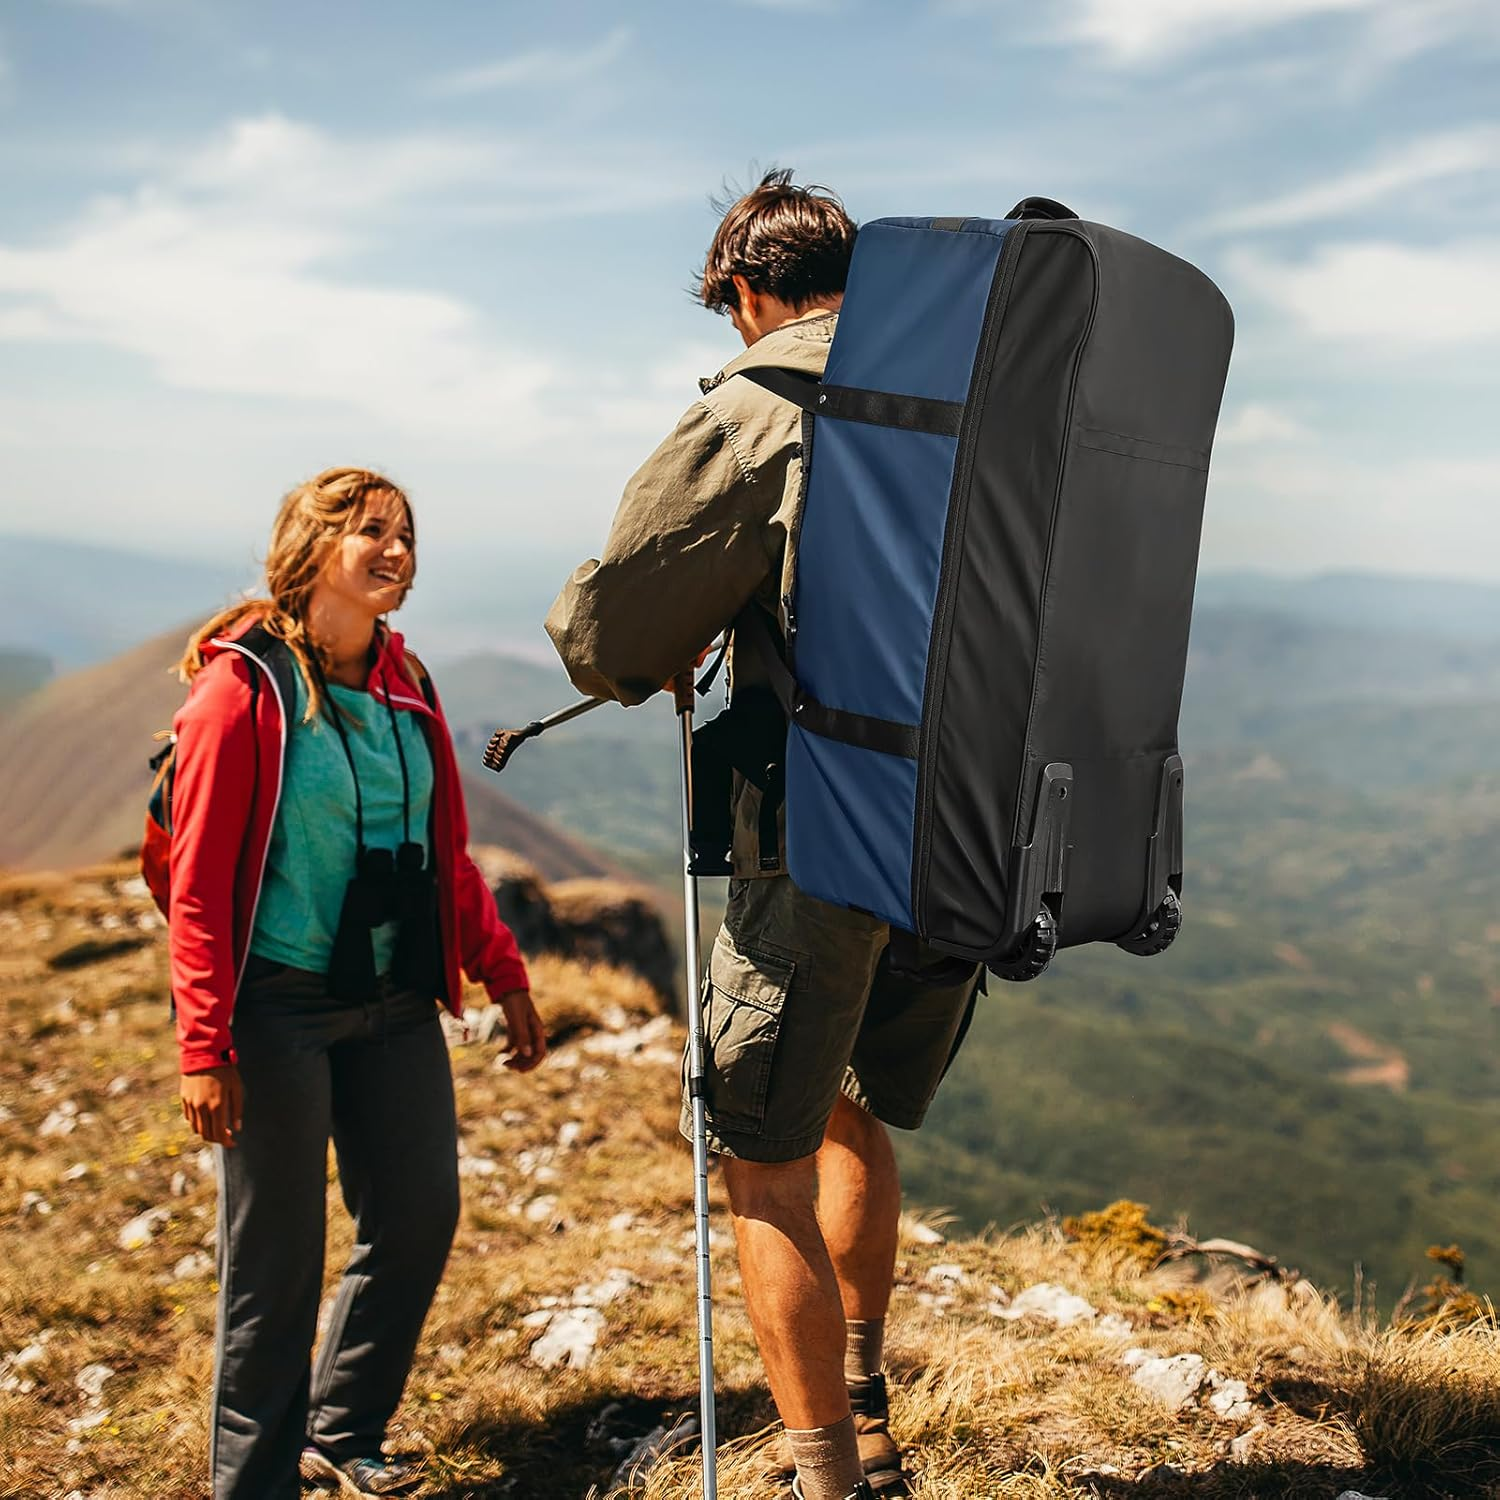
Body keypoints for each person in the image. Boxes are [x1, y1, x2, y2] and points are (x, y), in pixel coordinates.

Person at [546, 172, 983, 1500]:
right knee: (853, 1098)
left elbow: (608, 633)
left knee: (764, 1155)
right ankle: (861, 1387)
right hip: (970, 829)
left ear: (745, 292)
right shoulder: (969, 408)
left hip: (823, 829)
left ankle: (830, 1479)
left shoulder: (760, 407)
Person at [169, 467, 547, 1499]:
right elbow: (201, 888)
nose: (396, 551)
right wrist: (204, 1046)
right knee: (274, 1273)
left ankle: (343, 1432)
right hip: (281, 1008)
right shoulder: (241, 692)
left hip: (393, 1003)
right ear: (311, 542)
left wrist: (500, 970)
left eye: (407, 535)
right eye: (370, 530)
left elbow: (445, 850)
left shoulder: (406, 682)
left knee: (420, 1215)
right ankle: (252, 1483)